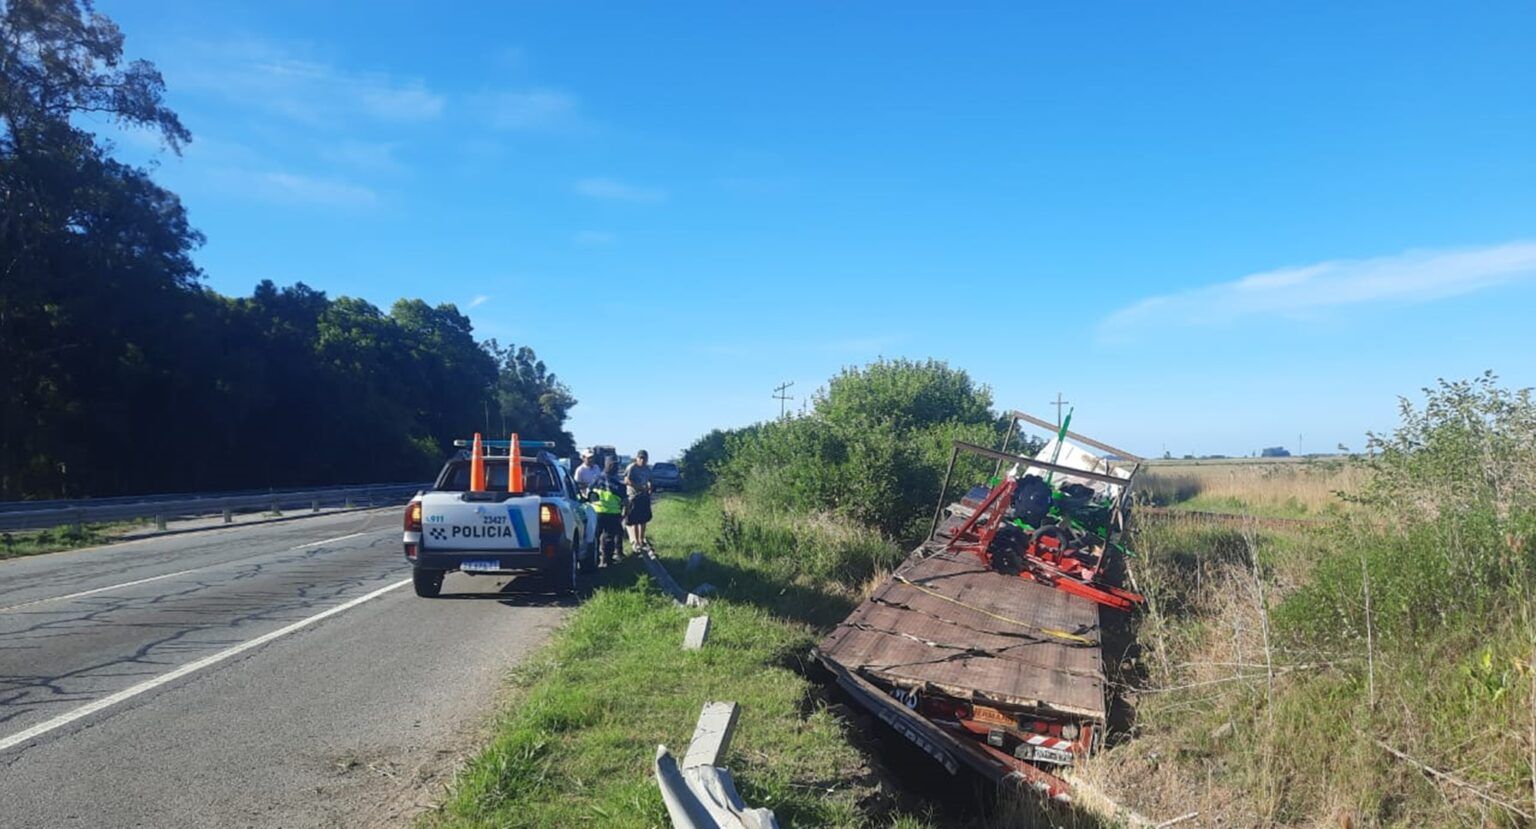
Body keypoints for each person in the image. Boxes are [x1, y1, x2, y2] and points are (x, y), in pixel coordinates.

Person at [592, 460, 626, 565]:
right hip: (613, 513)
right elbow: (625, 501)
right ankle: (607, 560)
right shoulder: (619, 485)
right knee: (609, 537)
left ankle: (595, 558)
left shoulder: (597, 479)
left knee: (595, 536)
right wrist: (625, 513)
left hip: (597, 512)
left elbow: (588, 492)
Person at [622, 449, 654, 550]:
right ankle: (636, 541)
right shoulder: (632, 467)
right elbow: (626, 480)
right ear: (637, 458)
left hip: (643, 496)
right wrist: (637, 486)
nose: (642, 460)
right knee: (634, 520)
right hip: (633, 496)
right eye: (640, 458)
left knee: (643, 519)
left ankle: (641, 539)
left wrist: (649, 488)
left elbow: (650, 480)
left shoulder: (647, 469)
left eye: (644, 458)